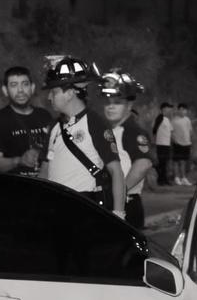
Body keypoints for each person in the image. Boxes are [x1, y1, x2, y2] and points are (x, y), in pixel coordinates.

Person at [37, 55, 127, 220]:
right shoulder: (54, 127)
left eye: (54, 92)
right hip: (55, 208)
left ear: (70, 93)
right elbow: (44, 170)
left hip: (85, 207)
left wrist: (119, 214)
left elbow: (116, 171)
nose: (49, 97)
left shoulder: (94, 122)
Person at [99, 68, 156, 229]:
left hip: (126, 204)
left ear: (129, 105)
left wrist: (119, 192)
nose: (111, 107)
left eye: (117, 103)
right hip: (114, 202)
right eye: (108, 102)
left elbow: (143, 164)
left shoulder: (132, 131)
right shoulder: (112, 131)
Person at [0, 66, 54, 175]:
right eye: (14, 85)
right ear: (5, 91)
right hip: (16, 183)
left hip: (46, 182)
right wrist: (19, 160)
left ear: (32, 88)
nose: (20, 90)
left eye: (25, 84)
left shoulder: (45, 116)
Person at [171, 102, 194, 185]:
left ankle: (184, 178)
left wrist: (189, 140)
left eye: (184, 110)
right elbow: (171, 132)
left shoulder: (187, 120)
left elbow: (190, 131)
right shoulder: (174, 120)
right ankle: (176, 178)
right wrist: (174, 140)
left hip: (186, 143)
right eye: (181, 110)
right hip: (177, 143)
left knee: (184, 161)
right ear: (178, 110)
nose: (182, 111)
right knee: (176, 161)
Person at [153, 102, 174, 186]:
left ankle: (164, 179)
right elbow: (154, 130)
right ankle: (160, 180)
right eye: (168, 108)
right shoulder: (160, 118)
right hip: (161, 144)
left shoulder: (167, 119)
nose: (170, 110)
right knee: (161, 162)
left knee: (165, 163)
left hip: (166, 144)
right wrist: (154, 140)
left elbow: (170, 131)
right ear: (164, 108)